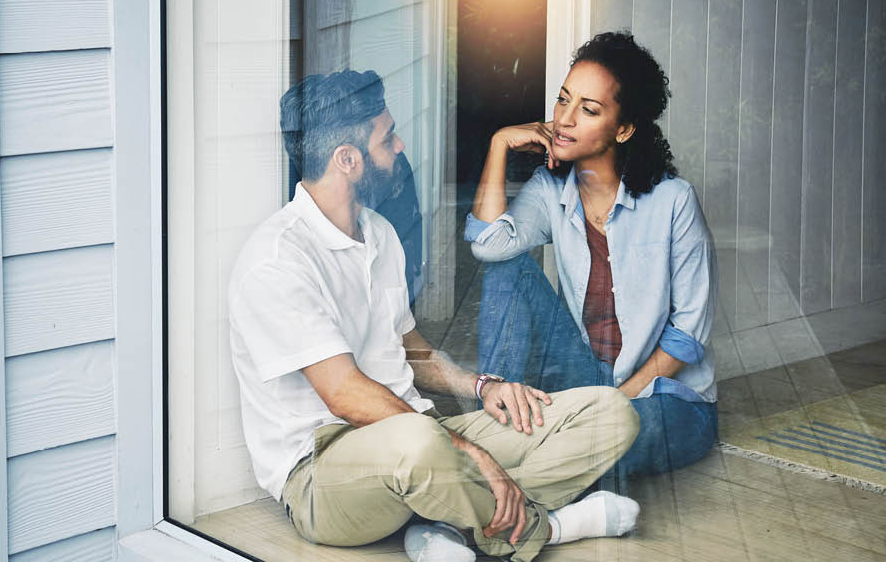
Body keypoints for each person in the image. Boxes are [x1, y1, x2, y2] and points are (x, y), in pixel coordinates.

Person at [229, 69, 642, 562]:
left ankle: (442, 523)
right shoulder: (278, 259)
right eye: (387, 137)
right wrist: (470, 452)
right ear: (347, 159)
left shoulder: (377, 233)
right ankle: (546, 529)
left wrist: (483, 387)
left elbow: (412, 350)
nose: (400, 145)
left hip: (419, 432)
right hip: (324, 472)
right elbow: (344, 395)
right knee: (422, 445)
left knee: (610, 414)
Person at [467, 32, 718, 484]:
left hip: (662, 397)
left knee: (612, 442)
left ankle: (507, 491)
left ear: (623, 129)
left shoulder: (673, 201)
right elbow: (489, 245)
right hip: (584, 376)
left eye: (589, 109)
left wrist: (615, 403)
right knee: (508, 268)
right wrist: (499, 144)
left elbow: (688, 333)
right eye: (564, 100)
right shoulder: (551, 191)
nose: (563, 119)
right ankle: (496, 410)